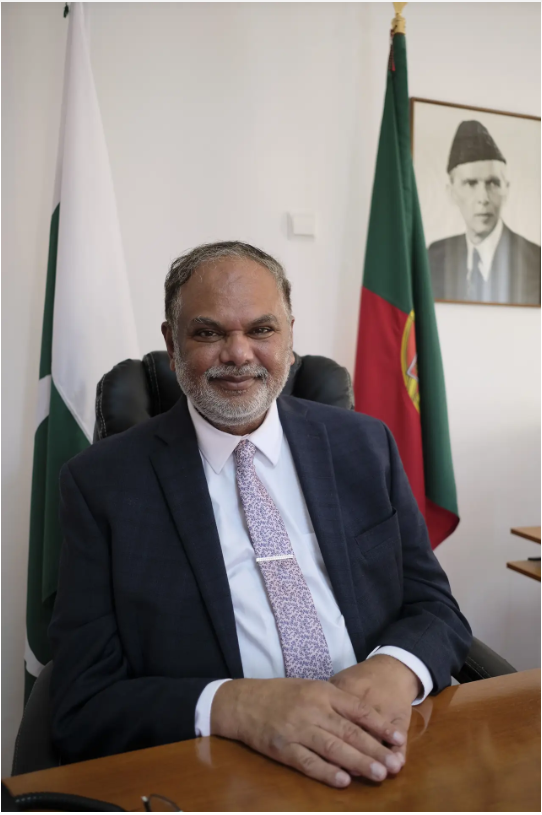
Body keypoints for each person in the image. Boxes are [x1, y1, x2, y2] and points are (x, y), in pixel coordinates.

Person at [49, 241, 471, 789]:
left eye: (262, 329)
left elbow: (435, 607)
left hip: (385, 749)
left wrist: (398, 666)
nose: (238, 353)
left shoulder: (365, 446)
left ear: (290, 337)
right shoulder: (101, 484)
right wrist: (234, 705)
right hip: (223, 774)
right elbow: (81, 702)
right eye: (208, 333)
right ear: (172, 345)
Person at [428, 120, 540, 305]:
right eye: (471, 183)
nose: (483, 198)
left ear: (506, 190)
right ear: (451, 193)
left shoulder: (535, 261)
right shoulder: (434, 257)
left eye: (493, 183)